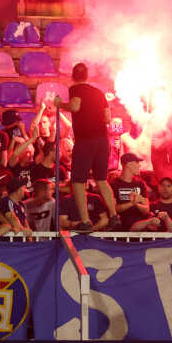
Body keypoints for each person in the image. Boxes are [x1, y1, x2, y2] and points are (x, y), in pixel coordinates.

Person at [53, 63, 115, 232]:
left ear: (73, 76)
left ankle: (85, 221)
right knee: (101, 179)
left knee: (78, 181)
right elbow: (108, 118)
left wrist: (60, 104)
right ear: (87, 76)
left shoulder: (75, 89)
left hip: (85, 140)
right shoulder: (99, 92)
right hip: (102, 140)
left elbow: (75, 106)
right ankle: (114, 215)